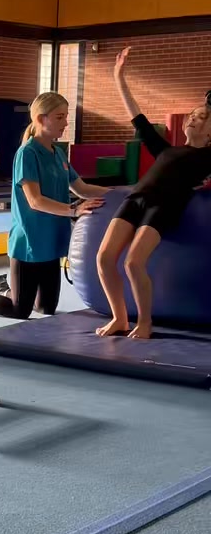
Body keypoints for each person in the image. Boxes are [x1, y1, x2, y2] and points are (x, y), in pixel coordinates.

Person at [96, 47, 211, 340]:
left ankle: (145, 322)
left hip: (164, 206)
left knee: (133, 263)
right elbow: (137, 118)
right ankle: (120, 318)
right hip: (135, 199)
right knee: (104, 258)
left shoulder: (208, 157)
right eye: (192, 116)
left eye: (201, 117)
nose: (193, 119)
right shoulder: (165, 149)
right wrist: (119, 76)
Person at [0, 92, 106, 320]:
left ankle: (1, 288)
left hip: (51, 242)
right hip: (29, 243)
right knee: (19, 310)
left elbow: (81, 188)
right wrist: (74, 210)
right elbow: (35, 200)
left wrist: (121, 192)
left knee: (46, 309)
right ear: (41, 119)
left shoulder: (58, 153)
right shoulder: (27, 153)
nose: (66, 123)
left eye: (66, 116)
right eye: (60, 117)